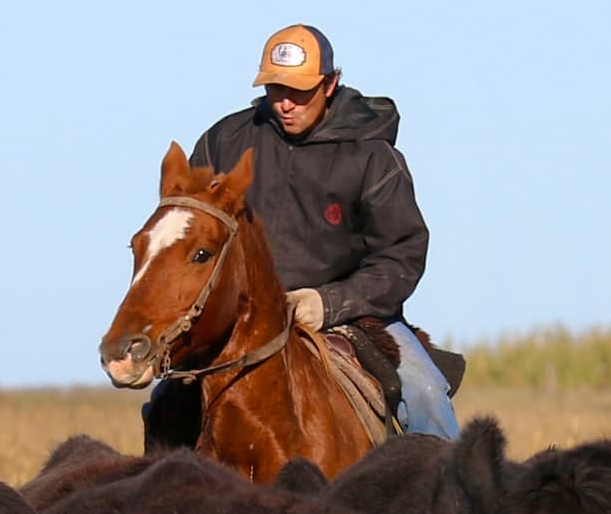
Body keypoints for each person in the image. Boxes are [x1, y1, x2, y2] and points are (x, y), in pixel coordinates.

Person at [150, 22, 462, 445]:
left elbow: (402, 255)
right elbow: (189, 239)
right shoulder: (225, 141)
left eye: (300, 91)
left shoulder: (372, 156)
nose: (285, 104)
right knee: (163, 402)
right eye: (276, 90)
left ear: (330, 84)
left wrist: (328, 303)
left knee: (425, 395)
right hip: (242, 320)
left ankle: (455, 504)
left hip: (353, 315)